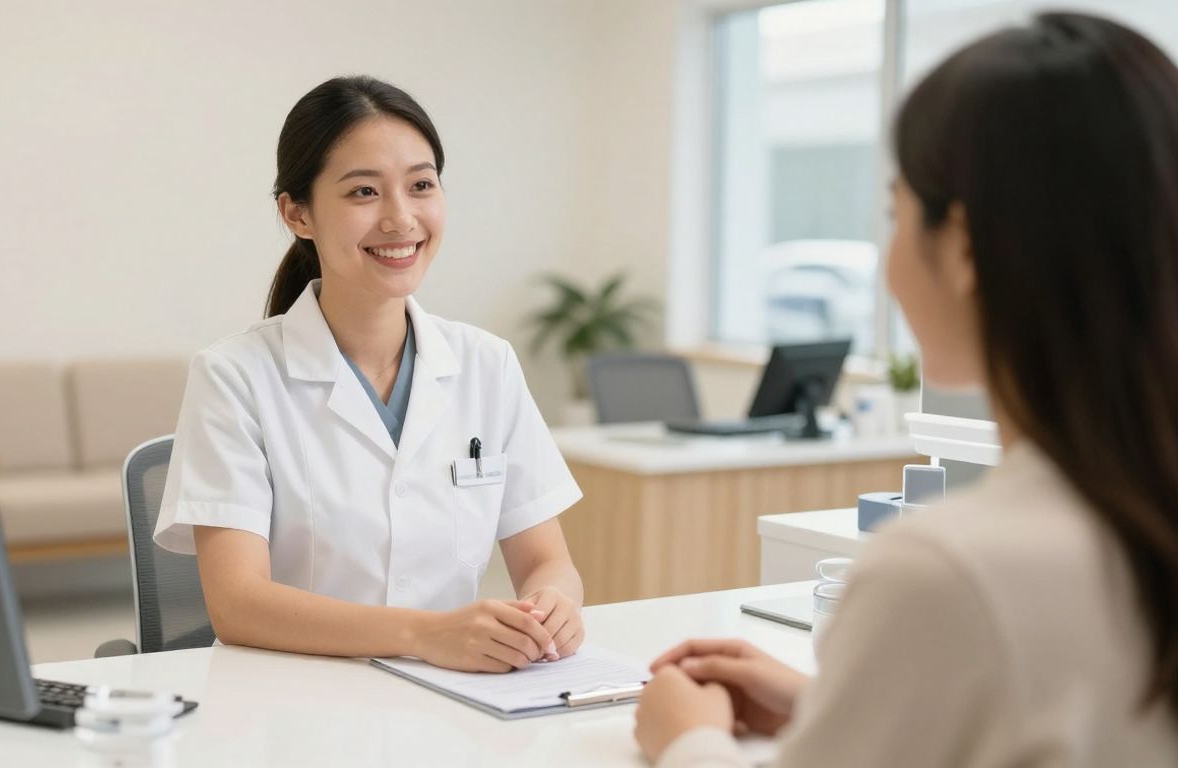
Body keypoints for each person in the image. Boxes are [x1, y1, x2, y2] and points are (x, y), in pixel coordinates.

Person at [635, 12, 1178, 766]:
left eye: (895, 213)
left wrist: (685, 738)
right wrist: (837, 708)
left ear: (961, 249)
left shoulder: (948, 570)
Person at [153, 76, 586, 673]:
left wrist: (555, 603)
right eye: (363, 192)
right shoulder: (234, 376)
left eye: (421, 185)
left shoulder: (488, 365)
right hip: (287, 704)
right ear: (297, 212)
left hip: (452, 697)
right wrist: (424, 633)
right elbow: (238, 604)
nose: (401, 218)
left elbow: (545, 560)